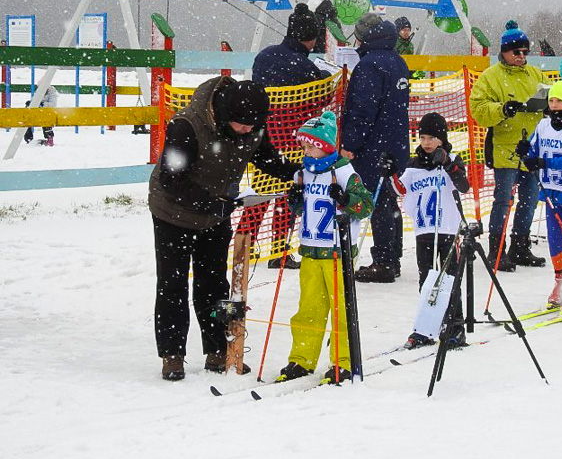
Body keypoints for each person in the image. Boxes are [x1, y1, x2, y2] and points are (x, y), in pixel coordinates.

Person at [148, 76, 302, 381]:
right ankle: (172, 353)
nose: (248, 131)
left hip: (215, 214)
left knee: (215, 283)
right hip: (172, 213)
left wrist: (297, 174)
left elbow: (267, 158)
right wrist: (210, 204)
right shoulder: (187, 125)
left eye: (253, 127)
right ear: (223, 113)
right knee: (173, 284)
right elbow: (170, 178)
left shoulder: (252, 125)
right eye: (242, 126)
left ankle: (220, 350)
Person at [275, 111, 374, 385]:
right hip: (310, 250)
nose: (306, 150)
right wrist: (293, 200)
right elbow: (301, 209)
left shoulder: (343, 172)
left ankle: (343, 361)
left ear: (327, 146)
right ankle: (302, 359)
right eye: (304, 146)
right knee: (308, 309)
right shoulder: (304, 173)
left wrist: (346, 198)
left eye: (311, 145)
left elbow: (365, 206)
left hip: (336, 252)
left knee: (341, 309)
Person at [468, 20, 553, 272]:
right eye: (517, 52)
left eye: (525, 52)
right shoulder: (491, 77)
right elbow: (478, 110)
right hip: (505, 148)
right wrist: (502, 109)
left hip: (532, 148)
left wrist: (549, 105)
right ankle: (497, 250)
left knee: (529, 200)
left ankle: (520, 245)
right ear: (504, 52)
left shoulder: (536, 74)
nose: (521, 56)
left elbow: (551, 96)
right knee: (503, 200)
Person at [249, 3, 325, 270]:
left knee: (257, 195)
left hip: (259, 137)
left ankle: (245, 247)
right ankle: (279, 251)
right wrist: (324, 78)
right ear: (311, 38)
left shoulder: (265, 55)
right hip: (292, 139)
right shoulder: (305, 68)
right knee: (286, 194)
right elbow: (319, 101)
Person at [386, 112, 471, 349]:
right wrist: (390, 172)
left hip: (448, 230)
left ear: (442, 138)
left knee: (449, 280)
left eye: (432, 137)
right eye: (423, 137)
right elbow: (400, 189)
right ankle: (425, 329)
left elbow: (464, 186)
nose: (426, 142)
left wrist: (448, 165)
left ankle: (455, 328)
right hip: (424, 230)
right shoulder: (415, 164)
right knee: (426, 280)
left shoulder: (452, 158)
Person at [340, 13, 411, 283]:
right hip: (395, 142)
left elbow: (362, 109)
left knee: (378, 201)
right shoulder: (397, 60)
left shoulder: (369, 65)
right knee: (388, 200)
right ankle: (392, 256)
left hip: (374, 145)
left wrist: (350, 143)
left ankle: (383, 260)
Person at [516, 81, 562, 312]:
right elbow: (534, 150)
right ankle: (560, 283)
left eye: (559, 101)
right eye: (551, 101)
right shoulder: (544, 125)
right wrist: (525, 150)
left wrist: (542, 162)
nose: (554, 105)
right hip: (550, 191)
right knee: (554, 241)